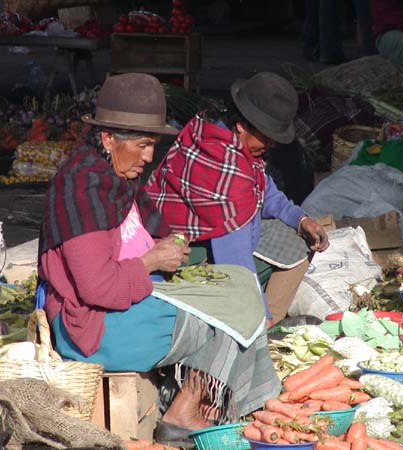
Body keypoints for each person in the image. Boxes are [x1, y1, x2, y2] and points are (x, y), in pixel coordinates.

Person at [38, 73, 280, 448]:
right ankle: (185, 411)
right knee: (225, 319)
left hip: (127, 305)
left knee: (240, 286)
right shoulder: (84, 188)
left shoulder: (115, 178)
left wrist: (169, 249)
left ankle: (191, 403)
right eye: (143, 145)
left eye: (152, 145)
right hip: (92, 329)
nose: (150, 156)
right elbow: (96, 287)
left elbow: (152, 228)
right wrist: (151, 260)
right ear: (107, 139)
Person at [145, 72, 330, 327]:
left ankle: (265, 324)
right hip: (185, 256)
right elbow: (235, 261)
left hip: (228, 240)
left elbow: (267, 191)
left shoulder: (231, 142)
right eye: (265, 137)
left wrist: (301, 219)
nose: (271, 145)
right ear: (242, 125)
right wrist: (259, 315)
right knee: (249, 305)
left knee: (299, 240)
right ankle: (260, 329)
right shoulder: (222, 170)